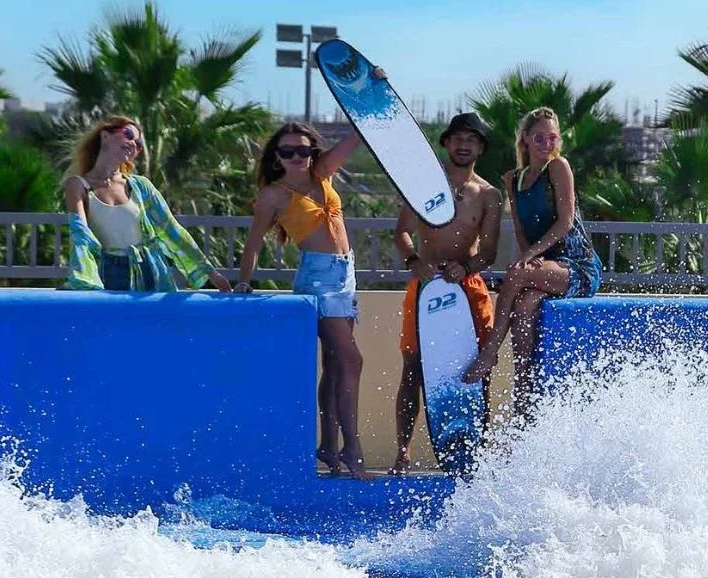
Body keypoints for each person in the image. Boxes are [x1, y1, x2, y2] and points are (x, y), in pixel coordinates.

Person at [233, 121, 367, 474]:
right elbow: (254, 242)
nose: (296, 157)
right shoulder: (274, 194)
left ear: (313, 152)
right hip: (318, 278)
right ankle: (353, 453)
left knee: (337, 365)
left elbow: (356, 137)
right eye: (288, 151)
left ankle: (329, 447)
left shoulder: (323, 173)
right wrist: (244, 282)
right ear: (276, 157)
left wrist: (371, 90)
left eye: (304, 150)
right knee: (352, 360)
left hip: (346, 272)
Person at [458, 108, 601, 418]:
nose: (546, 143)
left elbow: (564, 223)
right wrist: (528, 255)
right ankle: (524, 401)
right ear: (524, 138)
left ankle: (489, 353)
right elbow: (523, 236)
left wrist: (527, 259)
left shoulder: (559, 167)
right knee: (522, 309)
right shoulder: (518, 179)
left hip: (577, 266)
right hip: (545, 267)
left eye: (552, 137)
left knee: (517, 275)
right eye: (539, 137)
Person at [391, 112, 503, 473]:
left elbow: (488, 252)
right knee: (413, 368)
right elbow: (402, 233)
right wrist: (413, 261)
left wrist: (466, 267)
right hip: (425, 285)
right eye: (458, 137)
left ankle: (477, 452)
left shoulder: (489, 195)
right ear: (446, 143)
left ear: (480, 148)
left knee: (476, 368)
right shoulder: (424, 186)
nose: (464, 144)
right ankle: (402, 451)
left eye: (472, 139)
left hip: (467, 287)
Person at [62, 116, 230, 292]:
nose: (134, 144)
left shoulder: (141, 186)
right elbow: (80, 234)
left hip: (150, 272)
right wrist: (83, 279)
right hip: (107, 274)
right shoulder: (78, 185)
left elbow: (171, 230)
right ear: (105, 136)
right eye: (128, 134)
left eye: (138, 144)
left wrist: (211, 274)